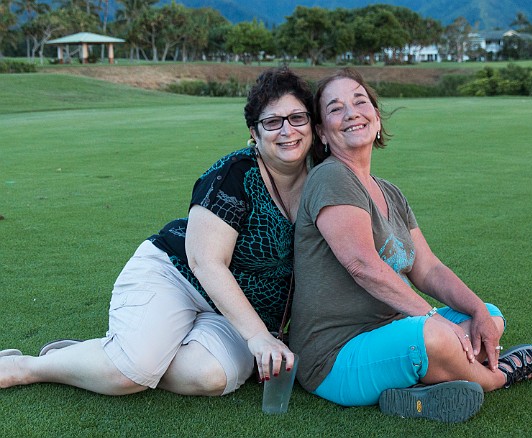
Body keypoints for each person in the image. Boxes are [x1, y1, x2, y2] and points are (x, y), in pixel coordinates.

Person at [0, 66, 313, 395]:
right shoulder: (234, 175)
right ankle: (28, 367)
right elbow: (206, 262)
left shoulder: (321, 177)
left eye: (297, 118)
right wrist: (258, 337)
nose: (286, 130)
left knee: (208, 377)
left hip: (234, 311)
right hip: (175, 274)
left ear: (312, 124)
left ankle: (105, 356)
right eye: (272, 121)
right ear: (254, 132)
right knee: (128, 376)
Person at [289, 67, 532, 423]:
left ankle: (414, 393)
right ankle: (499, 376)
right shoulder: (331, 176)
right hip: (335, 357)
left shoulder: (389, 192)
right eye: (335, 108)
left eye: (359, 101)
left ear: (376, 118)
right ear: (322, 132)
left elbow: (428, 268)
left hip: (387, 334)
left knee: (488, 316)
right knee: (435, 336)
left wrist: (475, 311)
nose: (351, 112)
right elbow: (362, 265)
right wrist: (431, 319)